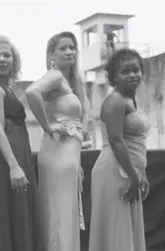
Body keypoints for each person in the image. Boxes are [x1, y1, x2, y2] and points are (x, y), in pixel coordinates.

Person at [0, 35, 42, 251]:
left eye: (7, 55)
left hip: (15, 154)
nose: (2, 59)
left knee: (15, 212)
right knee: (3, 212)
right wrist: (14, 166)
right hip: (5, 159)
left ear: (15, 61)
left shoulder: (6, 89)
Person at [25, 31, 86, 251]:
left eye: (72, 47)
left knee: (63, 212)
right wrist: (47, 126)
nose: (69, 51)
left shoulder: (71, 81)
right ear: (52, 54)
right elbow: (31, 92)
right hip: (57, 154)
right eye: (63, 48)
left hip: (68, 154)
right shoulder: (56, 76)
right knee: (59, 213)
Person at [88, 48, 149, 251]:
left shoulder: (130, 100)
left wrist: (142, 173)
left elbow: (137, 143)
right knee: (117, 229)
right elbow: (116, 140)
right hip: (115, 170)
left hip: (128, 170)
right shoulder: (114, 101)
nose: (132, 75)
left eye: (136, 70)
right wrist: (134, 176)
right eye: (125, 71)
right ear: (113, 77)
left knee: (125, 230)